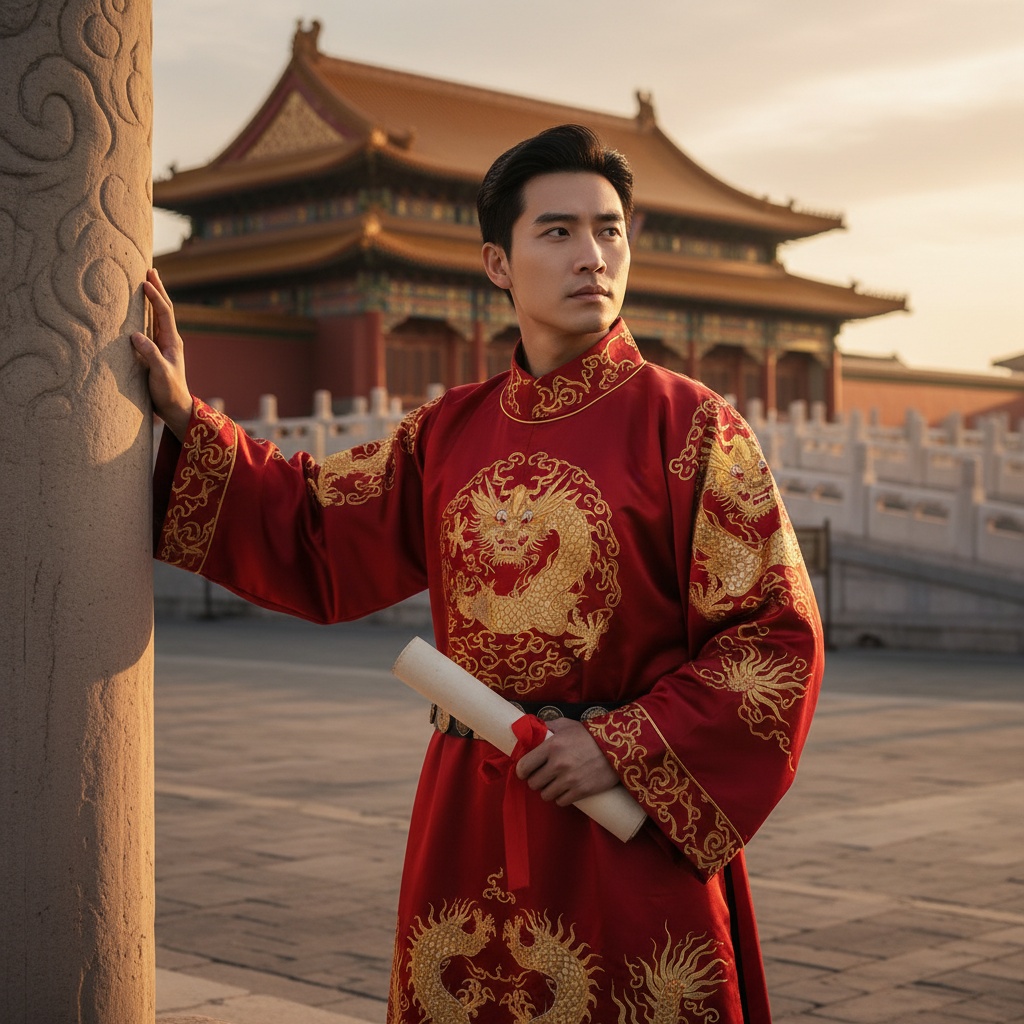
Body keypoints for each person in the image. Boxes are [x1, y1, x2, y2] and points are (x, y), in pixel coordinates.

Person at [134, 124, 823, 1024]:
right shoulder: (449, 432)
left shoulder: (692, 427)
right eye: (559, 232)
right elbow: (315, 523)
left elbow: (775, 639)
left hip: (621, 819)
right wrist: (187, 416)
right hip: (471, 809)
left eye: (611, 229)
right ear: (497, 264)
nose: (593, 256)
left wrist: (616, 746)